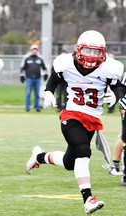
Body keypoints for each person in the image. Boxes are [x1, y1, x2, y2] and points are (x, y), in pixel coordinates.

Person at [25, 30, 125, 214]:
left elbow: (119, 85)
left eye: (96, 52)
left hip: (92, 119)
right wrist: (48, 92)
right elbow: (54, 78)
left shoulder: (110, 67)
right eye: (88, 50)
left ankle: (39, 156)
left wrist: (117, 96)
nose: (91, 56)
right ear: (78, 49)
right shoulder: (65, 63)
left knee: (70, 162)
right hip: (72, 114)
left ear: (103, 52)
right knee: (83, 151)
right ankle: (88, 199)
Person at [20, 45, 48, 112]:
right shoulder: (27, 59)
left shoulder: (40, 59)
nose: (34, 51)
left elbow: (44, 68)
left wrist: (45, 74)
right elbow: (22, 68)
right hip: (29, 79)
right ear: (31, 50)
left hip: (37, 79)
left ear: (37, 51)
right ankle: (27, 107)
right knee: (28, 93)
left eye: (36, 49)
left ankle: (37, 107)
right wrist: (22, 75)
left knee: (37, 94)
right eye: (33, 49)